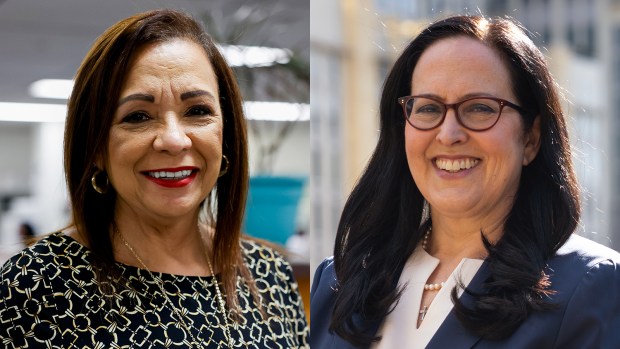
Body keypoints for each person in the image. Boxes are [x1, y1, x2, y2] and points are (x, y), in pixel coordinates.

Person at [0, 9, 308, 348]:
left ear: (226, 135)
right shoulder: (34, 286)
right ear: (96, 147)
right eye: (138, 116)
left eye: (197, 111)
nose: (174, 140)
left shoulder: (269, 275)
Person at [311, 15, 620, 349]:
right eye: (428, 108)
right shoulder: (339, 281)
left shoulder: (592, 286)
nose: (449, 134)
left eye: (480, 108)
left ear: (531, 138)